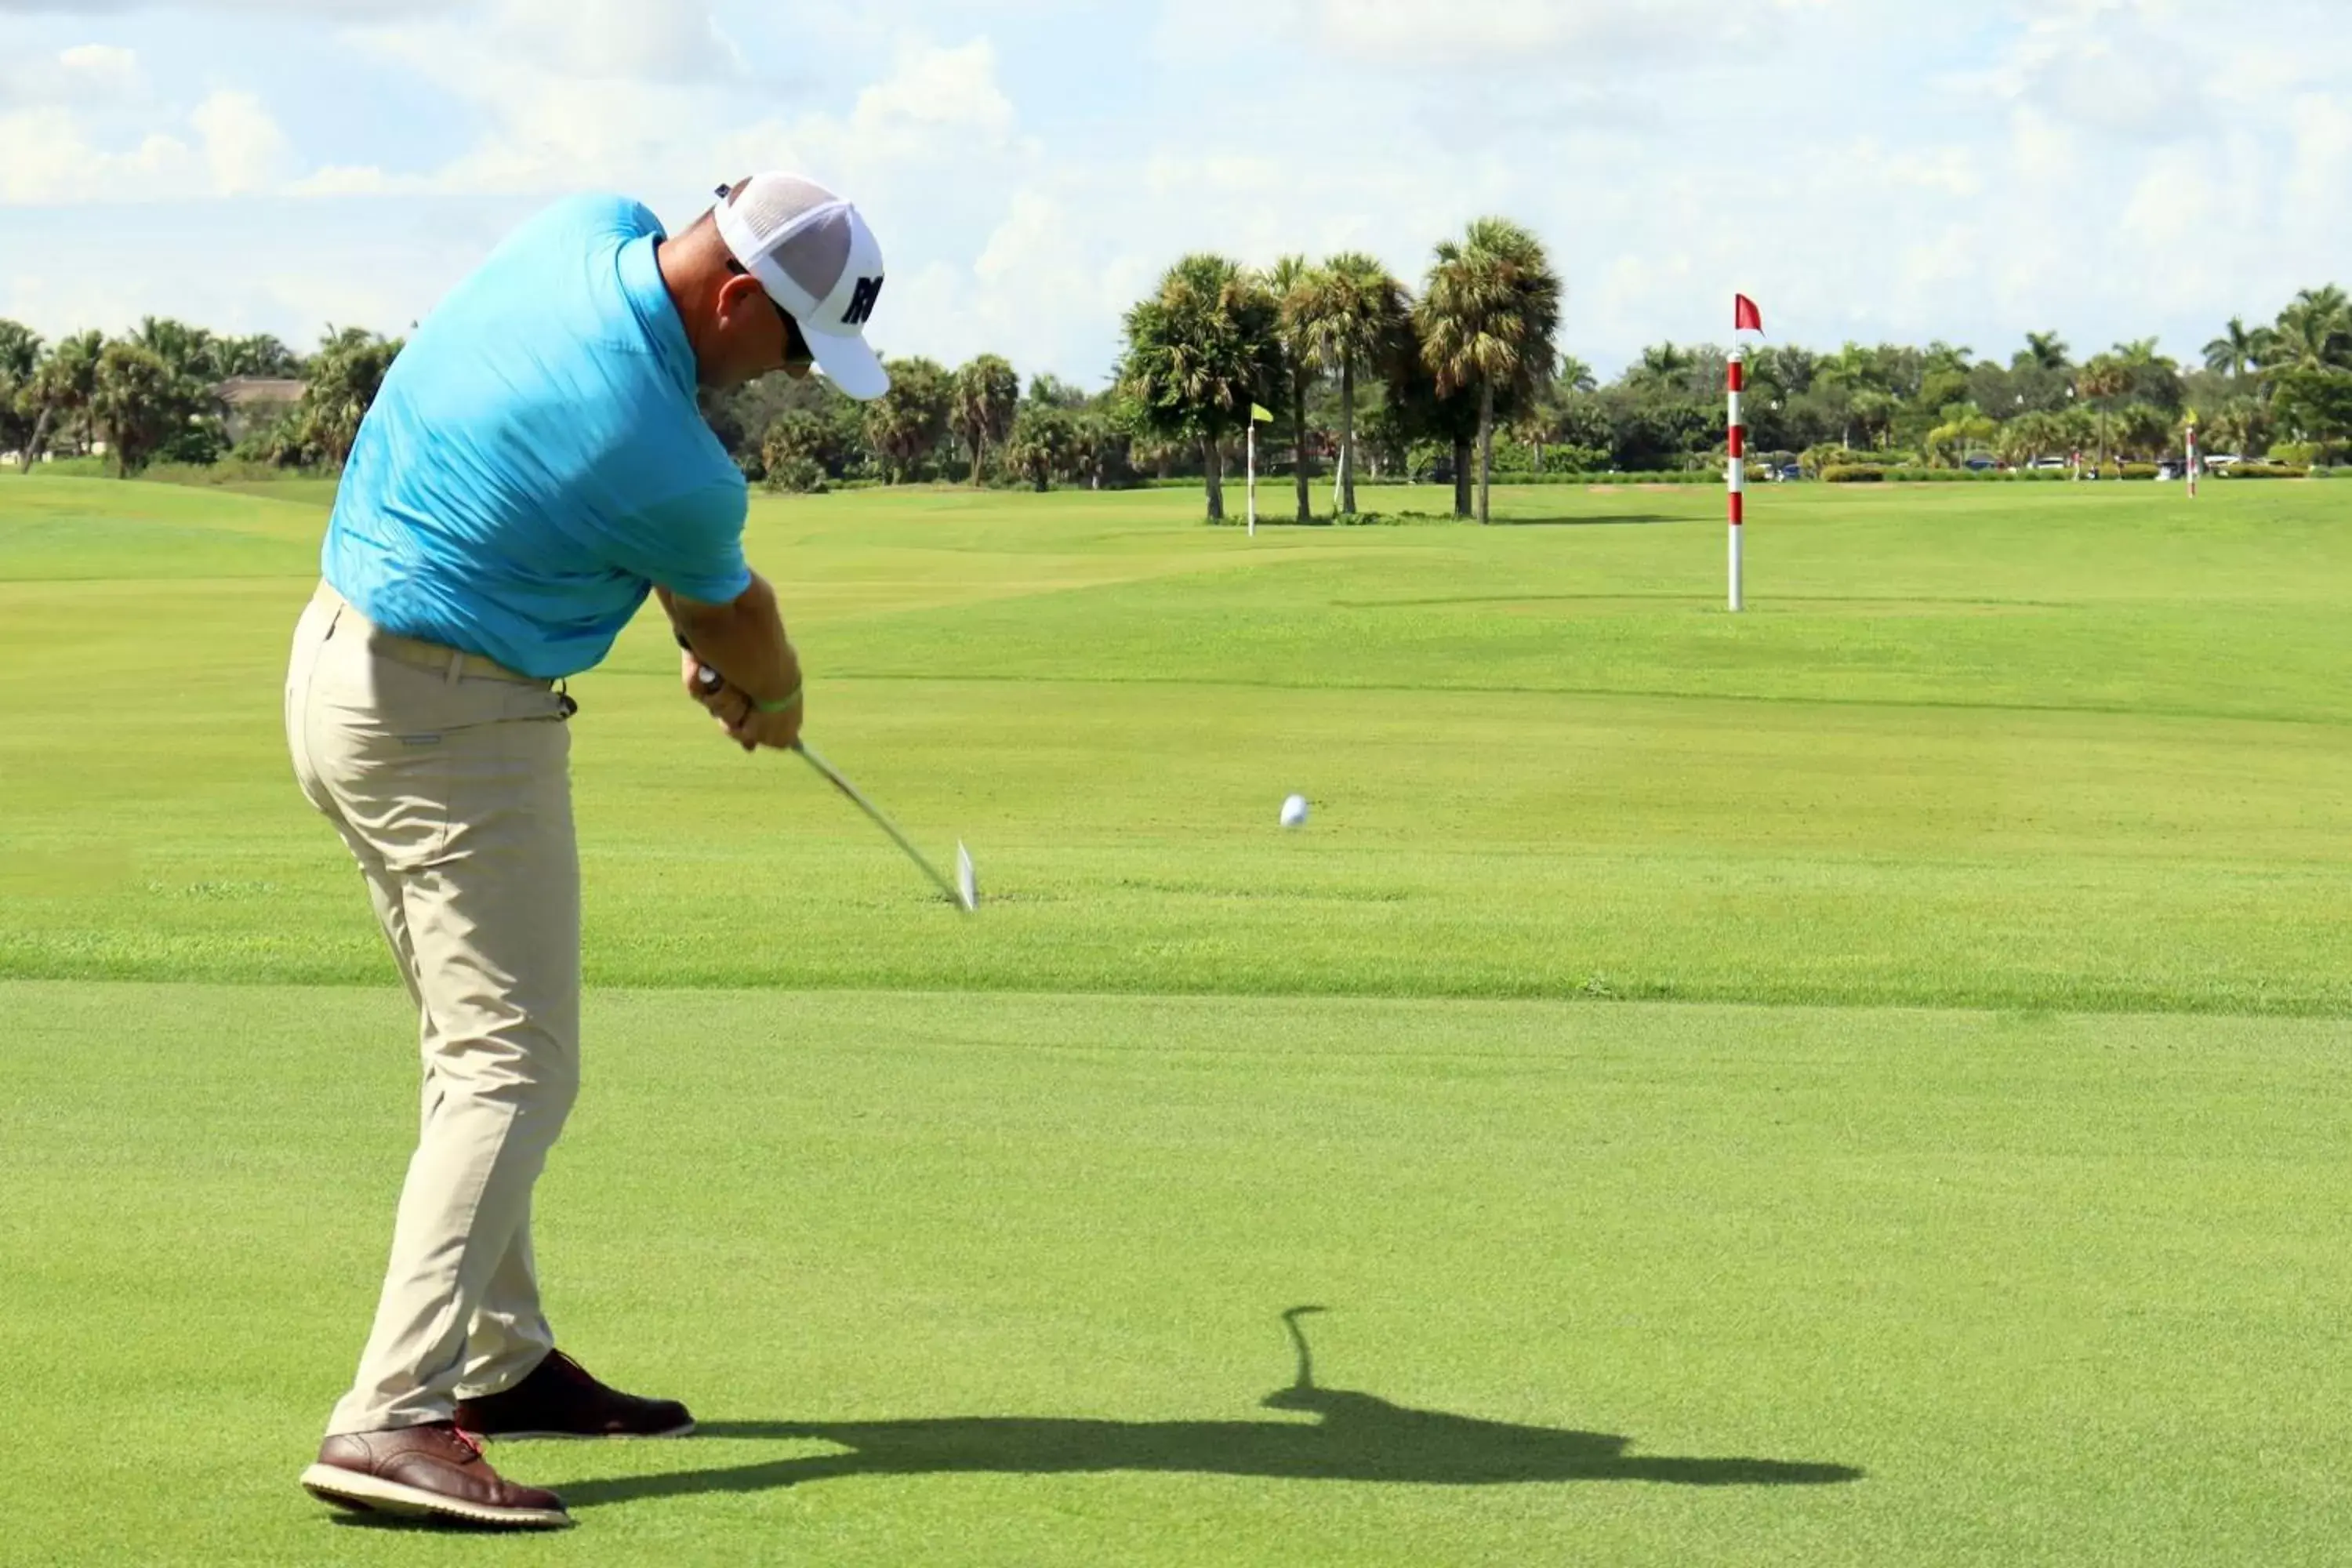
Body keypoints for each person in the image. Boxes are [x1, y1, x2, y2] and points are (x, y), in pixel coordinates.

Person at [285, 172, 891, 1530]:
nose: (789, 376)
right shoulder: (670, 458)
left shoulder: (584, 226)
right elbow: (738, 622)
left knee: (470, 1051)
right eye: (792, 347)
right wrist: (772, 701)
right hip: (450, 724)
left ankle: (495, 1361)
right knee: (514, 1065)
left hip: (337, 671)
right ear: (737, 298)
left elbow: (645, 560)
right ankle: (390, 1417)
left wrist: (695, 628)